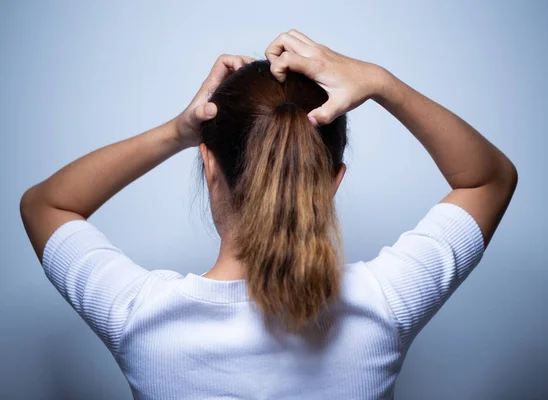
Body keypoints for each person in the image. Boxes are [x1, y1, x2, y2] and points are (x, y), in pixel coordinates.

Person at [20, 29, 517, 399]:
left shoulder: (141, 319)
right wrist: (382, 83)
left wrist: (177, 131)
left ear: (209, 166)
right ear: (331, 183)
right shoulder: (382, 306)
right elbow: (489, 179)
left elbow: (45, 204)